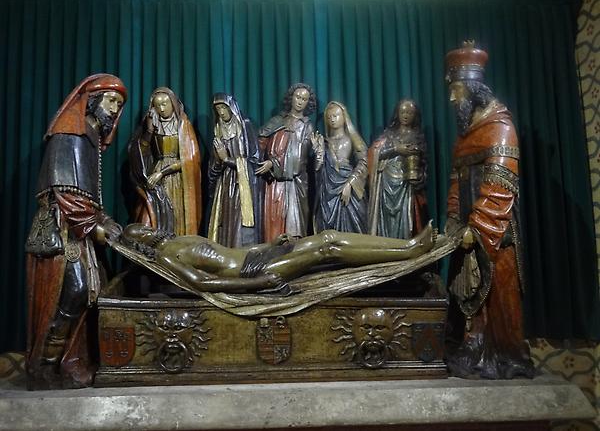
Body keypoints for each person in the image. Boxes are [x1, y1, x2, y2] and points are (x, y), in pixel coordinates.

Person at [24, 74, 127, 389]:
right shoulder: (69, 132)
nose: (114, 109)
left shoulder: (89, 135)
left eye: (119, 104)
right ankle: (45, 366)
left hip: (78, 229)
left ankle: (72, 363)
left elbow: (88, 196)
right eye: (110, 100)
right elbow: (64, 190)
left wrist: (106, 220)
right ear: (92, 100)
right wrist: (95, 225)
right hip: (62, 229)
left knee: (96, 289)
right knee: (76, 291)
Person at [444, 41, 534, 379]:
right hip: (467, 231)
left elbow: (500, 184)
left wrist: (477, 227)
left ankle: (503, 355)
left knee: (498, 292)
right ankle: (471, 346)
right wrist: (454, 219)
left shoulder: (500, 127)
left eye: (455, 90)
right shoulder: (465, 134)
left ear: (471, 89)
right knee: (465, 290)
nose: (451, 99)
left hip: (496, 231)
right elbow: (457, 181)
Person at [121, 221, 436, 294]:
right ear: (140, 246)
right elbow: (202, 282)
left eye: (146, 227)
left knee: (327, 236)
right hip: (253, 272)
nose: (150, 230)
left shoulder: (179, 239)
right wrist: (259, 283)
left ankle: (407, 245)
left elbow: (233, 251)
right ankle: (409, 252)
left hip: (257, 256)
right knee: (327, 250)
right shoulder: (166, 257)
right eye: (142, 234)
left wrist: (269, 243)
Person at [129, 87, 202, 236]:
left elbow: (189, 160)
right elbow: (141, 152)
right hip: (155, 172)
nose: (162, 109)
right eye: (157, 105)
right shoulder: (152, 124)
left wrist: (161, 173)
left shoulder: (183, 125)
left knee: (176, 215)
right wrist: (149, 131)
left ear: (172, 103)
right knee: (151, 216)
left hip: (177, 177)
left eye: (164, 104)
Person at [256, 83, 324, 241]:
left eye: (304, 99)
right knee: (275, 222)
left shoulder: (307, 126)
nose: (300, 101)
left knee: (296, 225)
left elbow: (306, 160)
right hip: (276, 181)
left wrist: (319, 152)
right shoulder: (277, 121)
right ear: (291, 98)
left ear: (308, 103)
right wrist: (268, 162)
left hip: (298, 182)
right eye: (298, 97)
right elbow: (259, 145)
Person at [207, 93, 263, 247]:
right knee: (224, 221)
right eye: (218, 109)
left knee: (239, 222)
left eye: (224, 108)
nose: (221, 112)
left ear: (231, 108)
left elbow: (254, 160)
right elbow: (213, 167)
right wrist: (219, 160)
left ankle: (240, 252)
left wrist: (227, 159)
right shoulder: (218, 131)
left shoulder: (245, 126)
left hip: (242, 185)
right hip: (224, 184)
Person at [368, 99, 429, 239]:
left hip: (406, 186)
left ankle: (406, 244)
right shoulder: (388, 135)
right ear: (397, 113)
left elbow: (423, 165)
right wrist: (395, 148)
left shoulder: (417, 137)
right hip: (386, 183)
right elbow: (374, 153)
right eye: (403, 112)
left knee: (408, 218)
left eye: (410, 112)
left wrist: (419, 177)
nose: (406, 115)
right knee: (386, 221)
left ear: (415, 115)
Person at [314, 101, 368, 234]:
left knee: (354, 224)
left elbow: (364, 162)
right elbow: (318, 169)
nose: (332, 119)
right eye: (329, 117)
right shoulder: (325, 142)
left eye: (335, 116)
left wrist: (350, 184)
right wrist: (319, 154)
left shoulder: (352, 139)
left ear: (344, 117)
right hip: (328, 190)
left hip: (348, 185)